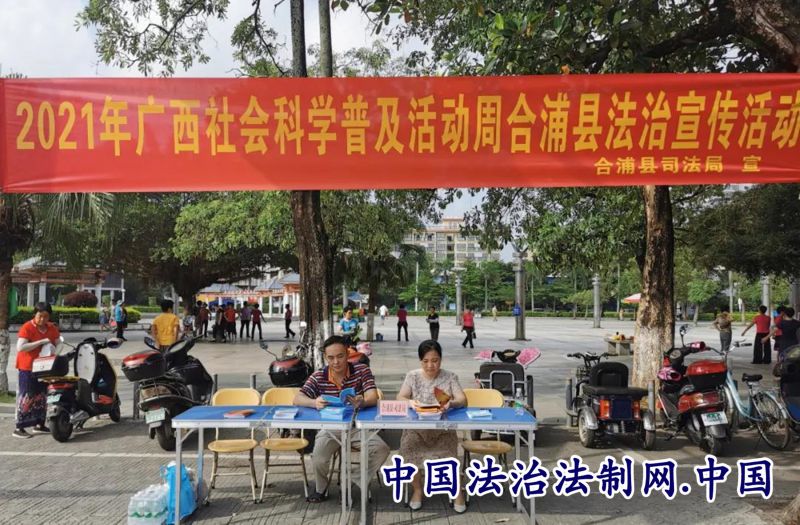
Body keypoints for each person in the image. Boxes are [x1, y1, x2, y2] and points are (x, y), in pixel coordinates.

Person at [293, 336, 390, 503]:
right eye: (331, 358)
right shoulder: (319, 376)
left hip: (356, 427)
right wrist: (314, 402)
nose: (336, 362)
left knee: (382, 449)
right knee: (318, 458)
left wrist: (362, 401)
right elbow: (297, 399)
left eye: (340, 356)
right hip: (330, 428)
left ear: (347, 354)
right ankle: (321, 489)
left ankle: (354, 479)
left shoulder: (361, 370)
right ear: (325, 357)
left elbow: (373, 396)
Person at [397, 340, 467, 512]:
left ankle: (457, 491)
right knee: (408, 448)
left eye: (435, 360)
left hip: (442, 429)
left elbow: (462, 400)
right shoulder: (412, 376)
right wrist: (411, 402)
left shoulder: (450, 377)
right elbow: (401, 397)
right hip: (416, 429)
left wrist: (451, 403)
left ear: (441, 360)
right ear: (420, 361)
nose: (430, 365)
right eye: (426, 361)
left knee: (450, 457)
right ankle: (417, 490)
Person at [13, 302, 59, 438]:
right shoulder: (27, 327)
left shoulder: (51, 328)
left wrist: (58, 350)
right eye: (40, 316)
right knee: (26, 396)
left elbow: (58, 343)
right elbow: (21, 347)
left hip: (44, 368)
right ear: (35, 315)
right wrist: (41, 342)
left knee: (42, 396)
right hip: (27, 367)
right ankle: (19, 428)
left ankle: (39, 424)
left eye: (46, 316)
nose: (42, 319)